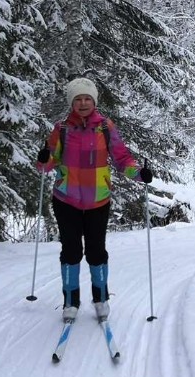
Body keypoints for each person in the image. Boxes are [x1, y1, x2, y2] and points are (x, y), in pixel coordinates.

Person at [35, 77, 152, 323]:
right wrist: (44, 157)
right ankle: (70, 301)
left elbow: (122, 159)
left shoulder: (106, 128)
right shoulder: (62, 129)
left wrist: (140, 174)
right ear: (72, 103)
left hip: (98, 201)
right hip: (66, 200)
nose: (83, 103)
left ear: (94, 101)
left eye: (87, 98)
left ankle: (100, 299)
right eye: (78, 99)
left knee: (97, 252)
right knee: (71, 251)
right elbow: (47, 165)